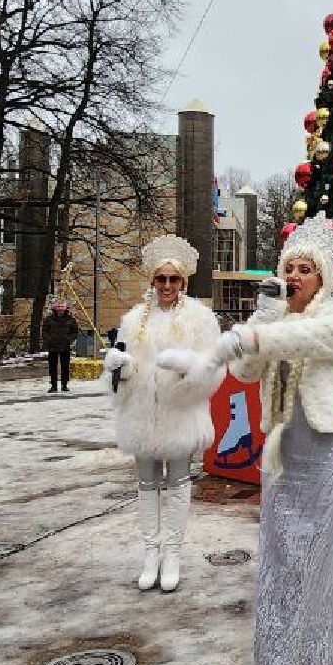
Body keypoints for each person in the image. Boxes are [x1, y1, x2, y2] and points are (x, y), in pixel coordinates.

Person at [215, 215, 333, 665]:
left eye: (306, 269)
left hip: (321, 455)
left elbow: (304, 341)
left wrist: (260, 331)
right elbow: (244, 369)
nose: (296, 276)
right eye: (290, 267)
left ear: (322, 280)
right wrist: (262, 319)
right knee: (282, 562)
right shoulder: (269, 321)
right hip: (281, 456)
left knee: (316, 563)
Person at [102, 237, 223, 592]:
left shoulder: (200, 319)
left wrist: (191, 366)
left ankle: (172, 554)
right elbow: (122, 372)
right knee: (146, 485)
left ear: (183, 281)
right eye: (161, 279)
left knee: (179, 483)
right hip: (141, 415)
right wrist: (117, 369)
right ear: (153, 281)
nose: (167, 286)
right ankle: (150, 554)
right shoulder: (133, 319)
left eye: (174, 279)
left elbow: (215, 369)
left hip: (180, 414)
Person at [40, 298, 80, 394]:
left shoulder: (71, 319)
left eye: (62, 307)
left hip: (65, 346)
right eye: (58, 307)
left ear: (65, 308)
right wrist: (48, 340)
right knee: (52, 367)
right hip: (52, 347)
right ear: (55, 308)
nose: (60, 309)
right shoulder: (49, 319)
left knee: (65, 367)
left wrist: (69, 340)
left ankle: (64, 385)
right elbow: (44, 331)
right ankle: (53, 386)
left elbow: (75, 332)